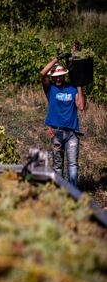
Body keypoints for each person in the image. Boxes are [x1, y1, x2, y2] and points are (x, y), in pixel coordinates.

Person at [40, 52, 85, 187]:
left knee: (72, 163)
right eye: (56, 77)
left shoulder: (72, 88)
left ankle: (73, 193)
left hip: (72, 133)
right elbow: (43, 73)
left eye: (60, 76)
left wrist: (79, 84)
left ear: (64, 76)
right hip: (55, 132)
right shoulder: (50, 89)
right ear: (53, 78)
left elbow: (81, 106)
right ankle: (60, 193)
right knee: (58, 165)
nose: (58, 79)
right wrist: (58, 59)